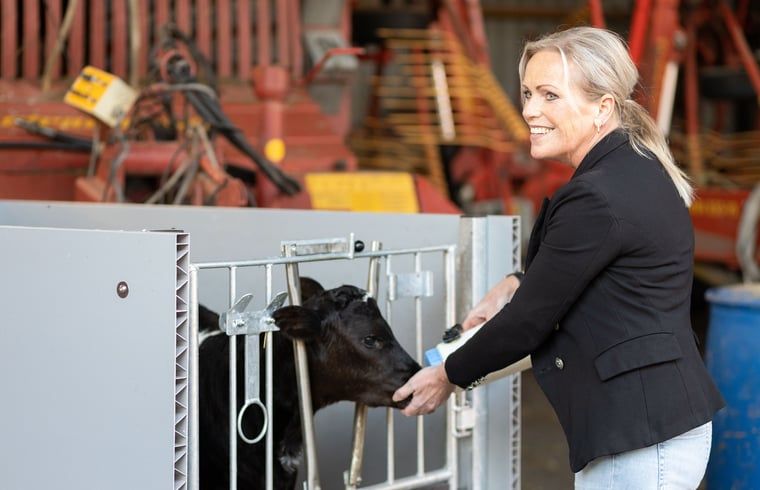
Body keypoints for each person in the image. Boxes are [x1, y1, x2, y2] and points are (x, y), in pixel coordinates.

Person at [392, 26, 724, 489]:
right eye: (528, 93)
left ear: (602, 107)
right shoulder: (635, 167)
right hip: (656, 425)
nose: (530, 110)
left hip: (638, 436)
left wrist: (446, 375)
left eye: (550, 95)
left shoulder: (596, 194)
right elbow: (593, 269)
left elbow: (528, 322)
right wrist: (515, 283)